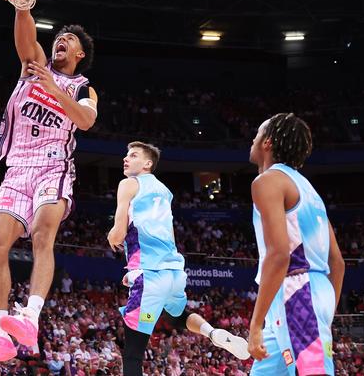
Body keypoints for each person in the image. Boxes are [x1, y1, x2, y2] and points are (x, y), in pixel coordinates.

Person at [0, 7, 97, 362]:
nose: (62, 39)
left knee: (44, 236)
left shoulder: (83, 87)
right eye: (59, 35)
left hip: (52, 166)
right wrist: (21, 4)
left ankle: (29, 316)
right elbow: (26, 39)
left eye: (70, 39)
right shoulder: (37, 65)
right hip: (17, 169)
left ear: (80, 55)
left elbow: (86, 120)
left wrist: (53, 90)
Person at [106, 141, 250, 376]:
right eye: (126, 155)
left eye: (133, 155)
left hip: (149, 274)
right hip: (173, 272)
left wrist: (112, 236)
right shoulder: (165, 191)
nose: (126, 158)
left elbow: (119, 231)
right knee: (176, 317)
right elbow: (170, 235)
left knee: (132, 354)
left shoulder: (128, 184)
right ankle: (212, 333)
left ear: (147, 164)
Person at [247, 113, 345, 375]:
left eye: (257, 134)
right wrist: (324, 312)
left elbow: (279, 255)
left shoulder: (267, 181)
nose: (252, 139)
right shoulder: (309, 190)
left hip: (296, 291)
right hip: (315, 291)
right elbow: (337, 263)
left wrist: (255, 324)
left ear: (267, 142)